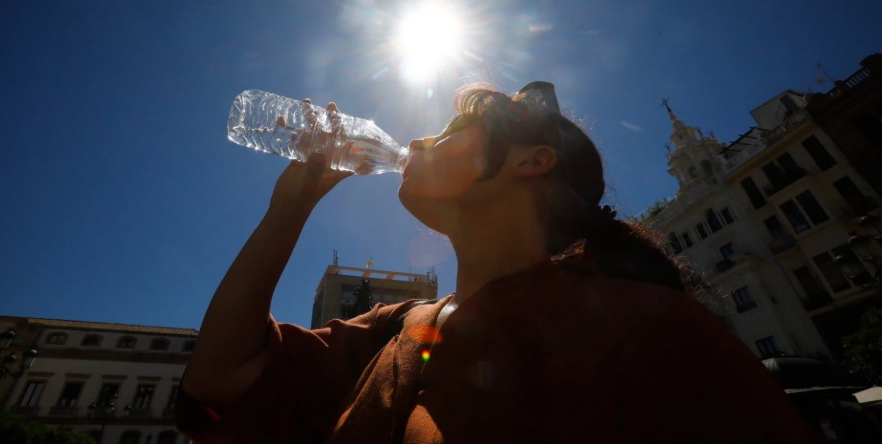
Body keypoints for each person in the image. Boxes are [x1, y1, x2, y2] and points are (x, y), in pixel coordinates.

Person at [177, 82, 818, 443]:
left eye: (452, 129)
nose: (423, 138)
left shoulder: (652, 331)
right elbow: (223, 377)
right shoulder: (403, 327)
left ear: (530, 160)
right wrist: (287, 210)